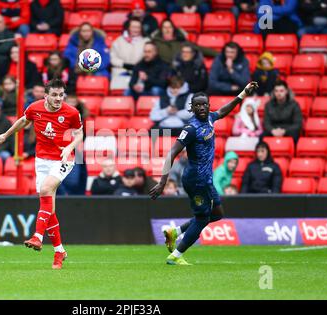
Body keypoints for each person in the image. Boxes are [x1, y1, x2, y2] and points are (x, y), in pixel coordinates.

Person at [149, 81, 259, 265]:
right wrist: (162, 182)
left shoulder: (210, 119)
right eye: (197, 105)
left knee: (217, 214)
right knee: (202, 219)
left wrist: (243, 93)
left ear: (208, 106)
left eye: (204, 104)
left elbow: (224, 111)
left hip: (206, 180)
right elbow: (171, 153)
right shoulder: (190, 129)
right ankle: (175, 256)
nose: (201, 107)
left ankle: (174, 232)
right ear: (191, 108)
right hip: (196, 180)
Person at [0, 79, 83, 269]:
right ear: (46, 96)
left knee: (45, 189)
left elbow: (79, 134)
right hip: (42, 159)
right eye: (54, 95)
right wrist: (5, 134)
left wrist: (69, 147)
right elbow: (22, 121)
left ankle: (37, 236)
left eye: (61, 95)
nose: (58, 98)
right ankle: (59, 251)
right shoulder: (35, 108)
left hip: (63, 159)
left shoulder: (72, 112)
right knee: (49, 208)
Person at [110, 18, 150, 92]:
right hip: (120, 70)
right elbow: (112, 58)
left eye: (138, 27)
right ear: (128, 28)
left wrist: (138, 67)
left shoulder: (146, 41)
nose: (136, 30)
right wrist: (123, 64)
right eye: (133, 27)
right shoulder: (118, 41)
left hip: (139, 72)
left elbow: (150, 58)